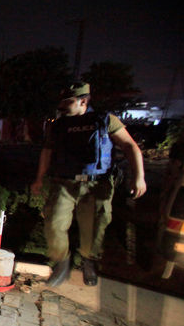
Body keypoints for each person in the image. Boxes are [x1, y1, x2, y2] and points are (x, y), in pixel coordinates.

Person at [31, 82, 146, 287]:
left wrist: (139, 177)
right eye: (62, 101)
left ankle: (89, 261)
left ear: (83, 101)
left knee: (93, 229)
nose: (63, 106)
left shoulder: (105, 120)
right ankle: (62, 261)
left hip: (96, 185)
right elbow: (47, 151)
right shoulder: (58, 125)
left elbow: (129, 145)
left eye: (68, 101)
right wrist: (39, 178)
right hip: (63, 183)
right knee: (54, 224)